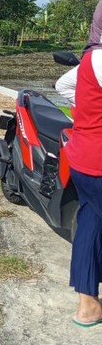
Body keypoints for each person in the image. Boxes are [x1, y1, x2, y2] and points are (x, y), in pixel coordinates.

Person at [63, 32, 102, 327]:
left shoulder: (91, 59)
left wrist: (85, 113)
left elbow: (62, 85)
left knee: (90, 220)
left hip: (82, 157)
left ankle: (87, 307)